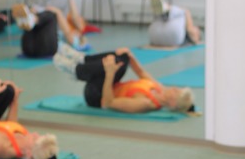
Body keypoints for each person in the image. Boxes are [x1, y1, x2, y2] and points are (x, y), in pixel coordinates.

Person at [53, 44, 195, 114]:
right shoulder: (158, 88)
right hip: (109, 84)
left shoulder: (145, 103)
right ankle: (82, 59)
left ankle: (76, 69)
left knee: (116, 65)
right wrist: (130, 55)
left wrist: (109, 74)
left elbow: (109, 102)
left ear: (172, 103)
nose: (175, 88)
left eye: (177, 92)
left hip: (96, 96)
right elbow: (141, 71)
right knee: (122, 58)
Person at [11, 0, 87, 58]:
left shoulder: (76, 41)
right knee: (41, 19)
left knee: (52, 16)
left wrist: (58, 12)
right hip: (29, 48)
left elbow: (69, 32)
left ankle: (32, 18)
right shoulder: (60, 33)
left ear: (79, 33)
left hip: (46, 49)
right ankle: (29, 17)